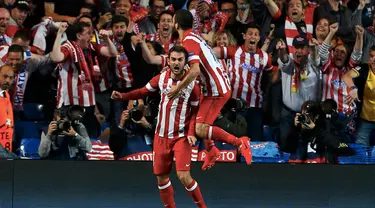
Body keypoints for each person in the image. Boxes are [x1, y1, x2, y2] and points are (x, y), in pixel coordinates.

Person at [112, 46, 206, 208]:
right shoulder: (161, 79)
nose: (176, 63)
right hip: (161, 137)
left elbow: (196, 111)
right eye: (173, 59)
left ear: (185, 63)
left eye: (180, 60)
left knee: (184, 176)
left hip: (181, 137)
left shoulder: (193, 86)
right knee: (162, 178)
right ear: (168, 61)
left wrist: (191, 132)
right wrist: (123, 96)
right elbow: (142, 92)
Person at [170, 9, 251, 170]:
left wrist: (177, 89)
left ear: (176, 24)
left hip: (216, 90)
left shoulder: (188, 42)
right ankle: (211, 150)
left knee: (200, 129)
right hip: (211, 88)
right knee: (201, 124)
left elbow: (194, 71)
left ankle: (240, 143)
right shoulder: (193, 37)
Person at [0, 65, 15, 152]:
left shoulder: (7, 95)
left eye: (11, 78)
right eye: (5, 77)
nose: (8, 81)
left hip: (7, 150)